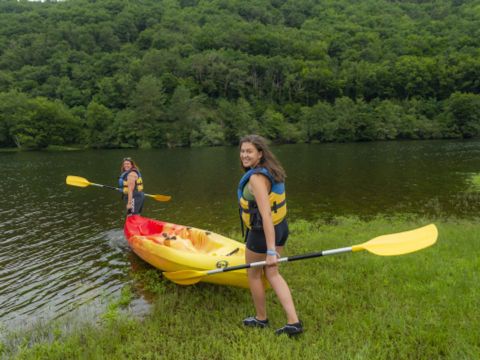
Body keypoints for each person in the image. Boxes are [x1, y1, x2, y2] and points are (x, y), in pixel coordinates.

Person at [237, 134, 303, 337]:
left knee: (255, 274)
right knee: (272, 273)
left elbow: (265, 214)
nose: (244, 155)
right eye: (242, 151)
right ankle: (294, 322)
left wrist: (271, 250)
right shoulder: (272, 170)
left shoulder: (257, 178)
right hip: (281, 227)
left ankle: (261, 318)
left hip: (262, 234)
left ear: (260, 153)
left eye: (249, 151)